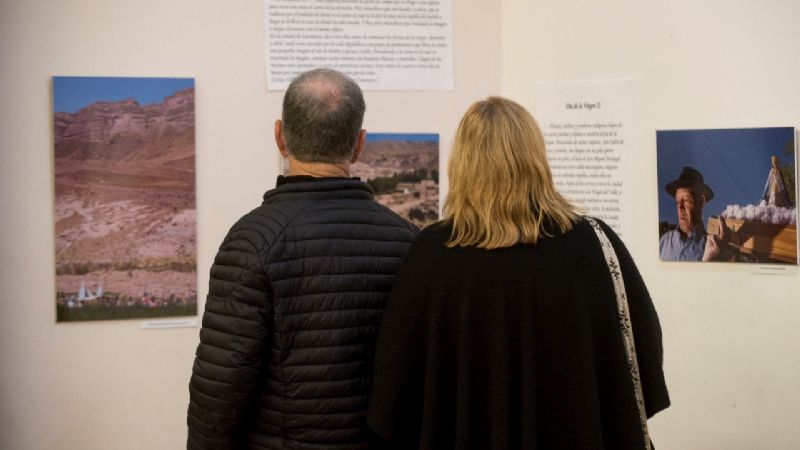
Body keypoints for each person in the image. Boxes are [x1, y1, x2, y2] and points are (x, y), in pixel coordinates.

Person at [367, 97, 669, 449]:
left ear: (461, 163)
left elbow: (395, 387)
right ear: (536, 158)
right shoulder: (594, 244)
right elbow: (642, 356)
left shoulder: (431, 254)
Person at [187, 69, 418, 449]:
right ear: (360, 145)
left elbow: (221, 391)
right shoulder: (408, 241)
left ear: (280, 136)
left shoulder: (252, 241)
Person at [658, 166, 714, 261]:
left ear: (701, 201)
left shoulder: (711, 247)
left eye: (686, 200)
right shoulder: (664, 242)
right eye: (677, 201)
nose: (680, 207)